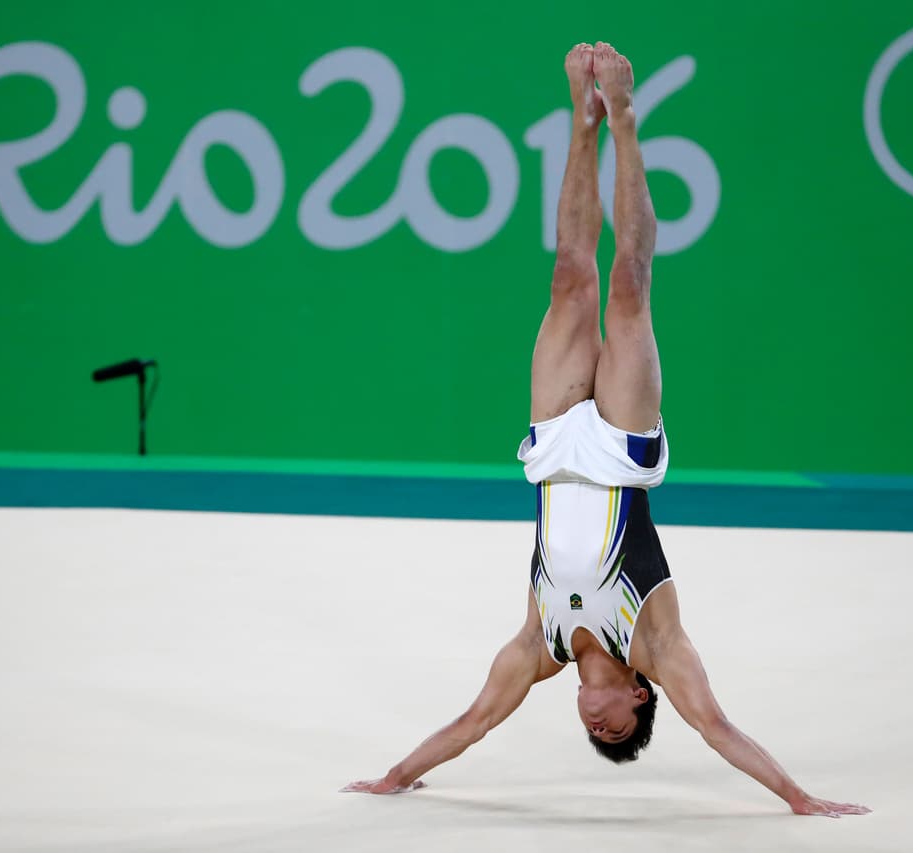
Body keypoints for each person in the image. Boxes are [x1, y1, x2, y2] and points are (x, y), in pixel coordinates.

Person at [342, 42, 870, 818]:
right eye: (619, 730)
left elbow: (474, 721)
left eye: (596, 735)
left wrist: (396, 774)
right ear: (639, 694)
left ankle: (578, 115)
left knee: (568, 272)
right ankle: (621, 119)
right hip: (621, 452)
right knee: (627, 285)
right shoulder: (657, 644)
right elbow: (715, 724)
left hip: (556, 452)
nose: (600, 728)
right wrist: (796, 795)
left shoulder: (540, 644)